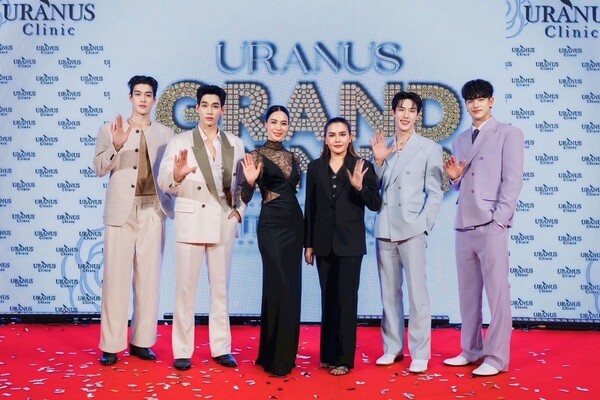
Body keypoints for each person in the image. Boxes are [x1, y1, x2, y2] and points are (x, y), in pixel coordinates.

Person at [157, 85, 246, 371]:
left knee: (220, 289)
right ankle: (182, 350)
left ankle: (221, 348)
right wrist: (177, 175)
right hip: (191, 220)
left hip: (222, 222)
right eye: (204, 105)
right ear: (196, 108)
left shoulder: (235, 143)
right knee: (185, 290)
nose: (209, 111)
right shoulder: (180, 141)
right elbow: (163, 182)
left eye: (215, 106)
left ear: (223, 110)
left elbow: (243, 184)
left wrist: (238, 212)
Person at [443, 79, 524, 377]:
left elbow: (512, 180)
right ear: (466, 104)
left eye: (481, 98)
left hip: (491, 223)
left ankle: (497, 357)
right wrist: (454, 178)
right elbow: (463, 183)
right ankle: (471, 349)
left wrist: (500, 220)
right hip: (463, 222)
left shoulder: (509, 133)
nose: (475, 104)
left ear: (492, 101)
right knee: (468, 292)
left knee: (497, 294)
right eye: (470, 100)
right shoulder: (461, 139)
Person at [93, 75, 174, 366]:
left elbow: (169, 176)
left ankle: (142, 342)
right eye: (137, 93)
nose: (142, 99)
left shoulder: (166, 134)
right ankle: (111, 345)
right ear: (130, 97)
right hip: (120, 214)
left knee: (148, 280)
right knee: (115, 280)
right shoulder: (109, 129)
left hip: (153, 211)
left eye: (147, 94)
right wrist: (116, 146)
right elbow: (99, 168)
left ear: (154, 99)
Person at [370, 91, 443, 374]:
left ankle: (420, 352)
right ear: (393, 112)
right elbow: (374, 189)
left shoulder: (429, 148)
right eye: (401, 109)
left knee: (417, 294)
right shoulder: (384, 146)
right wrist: (378, 162)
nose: (406, 115)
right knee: (389, 293)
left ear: (418, 115)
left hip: (412, 228)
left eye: (412, 110)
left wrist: (424, 224)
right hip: (385, 227)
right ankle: (392, 347)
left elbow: (434, 192)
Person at [304, 117, 381, 376]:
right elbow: (311, 207)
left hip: (350, 245)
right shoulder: (315, 168)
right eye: (332, 135)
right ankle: (328, 355)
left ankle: (344, 359)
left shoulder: (363, 166)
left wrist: (359, 188)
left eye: (342, 134)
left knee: (346, 300)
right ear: (325, 139)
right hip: (323, 244)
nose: (337, 139)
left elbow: (375, 204)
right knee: (328, 299)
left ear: (350, 138)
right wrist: (309, 244)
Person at [240, 105, 303, 377]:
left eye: (283, 123)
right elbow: (244, 197)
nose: (279, 127)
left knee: (292, 288)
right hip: (271, 226)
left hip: (295, 225)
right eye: (274, 122)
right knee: (278, 284)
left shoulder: (294, 157)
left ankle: (281, 355)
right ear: (265, 124)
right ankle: (273, 357)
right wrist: (249, 182)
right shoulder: (255, 155)